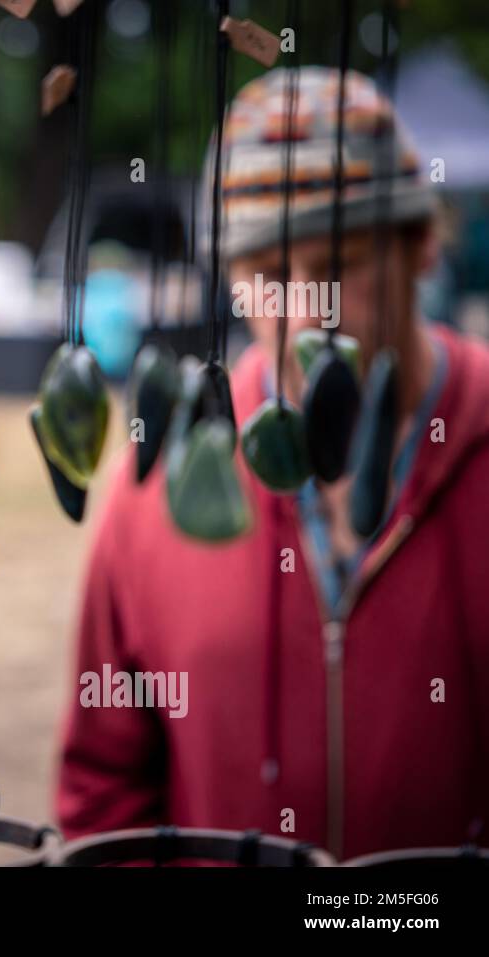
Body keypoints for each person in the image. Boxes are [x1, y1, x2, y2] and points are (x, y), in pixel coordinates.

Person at [55, 68, 489, 861]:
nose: (300, 312)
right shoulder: (162, 478)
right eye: (270, 275)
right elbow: (105, 784)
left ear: (422, 244)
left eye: (337, 264)